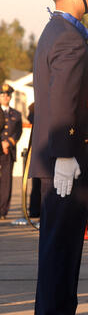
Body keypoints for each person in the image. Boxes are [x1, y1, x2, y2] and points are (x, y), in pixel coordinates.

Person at [29, 0, 88, 315]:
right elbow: (60, 103)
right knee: (62, 249)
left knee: (58, 246)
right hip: (65, 163)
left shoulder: (58, 32)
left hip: (60, 157)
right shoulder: (69, 38)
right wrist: (66, 153)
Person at [0, 83, 22, 219]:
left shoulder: (16, 114)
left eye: (8, 95)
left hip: (9, 151)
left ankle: (3, 210)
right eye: (2, 95)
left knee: (6, 182)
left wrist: (8, 142)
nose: (5, 97)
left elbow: (18, 132)